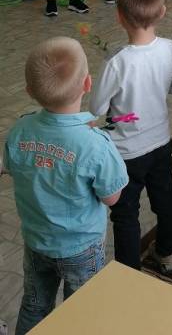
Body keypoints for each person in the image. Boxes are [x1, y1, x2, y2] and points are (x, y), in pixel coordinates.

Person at [4, 37, 128, 335]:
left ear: (29, 91)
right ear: (87, 84)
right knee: (84, 310)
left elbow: (9, 166)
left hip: (37, 242)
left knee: (34, 306)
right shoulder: (96, 144)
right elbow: (112, 198)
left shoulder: (20, 130)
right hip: (82, 248)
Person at [89, 0, 172, 273]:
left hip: (125, 153)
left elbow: (96, 107)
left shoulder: (116, 62)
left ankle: (129, 273)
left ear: (119, 16)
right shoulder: (170, 48)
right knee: (166, 200)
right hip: (160, 144)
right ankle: (168, 254)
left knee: (125, 214)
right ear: (162, 12)